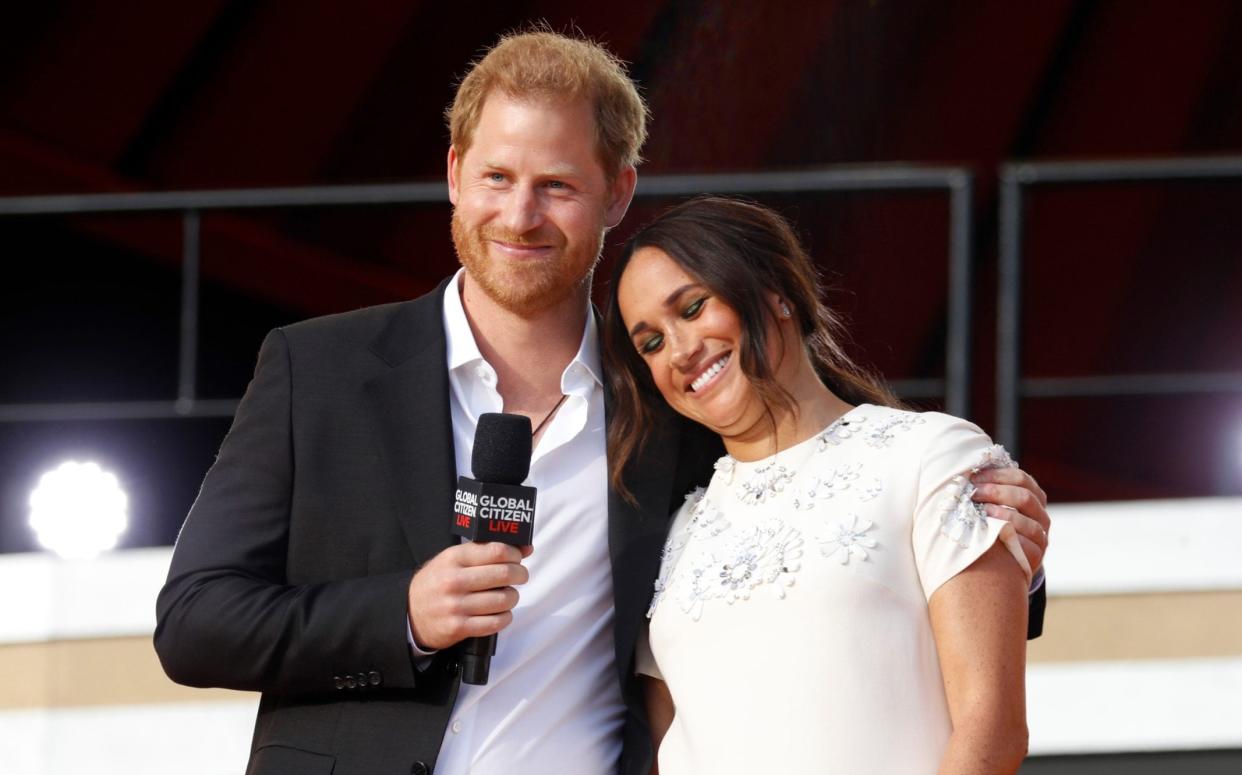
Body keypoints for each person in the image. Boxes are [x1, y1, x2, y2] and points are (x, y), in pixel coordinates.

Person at [154, 30, 1050, 775]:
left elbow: (820, 509)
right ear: (456, 173)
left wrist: (1000, 546)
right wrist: (401, 615)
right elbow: (195, 624)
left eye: (557, 185)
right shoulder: (319, 368)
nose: (520, 215)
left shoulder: (671, 402)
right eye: (498, 177)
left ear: (616, 193)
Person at [604, 195, 1034, 774]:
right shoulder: (674, 530)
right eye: (650, 343)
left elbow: (992, 731)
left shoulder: (931, 455)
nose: (679, 351)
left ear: (776, 291)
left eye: (693, 307)